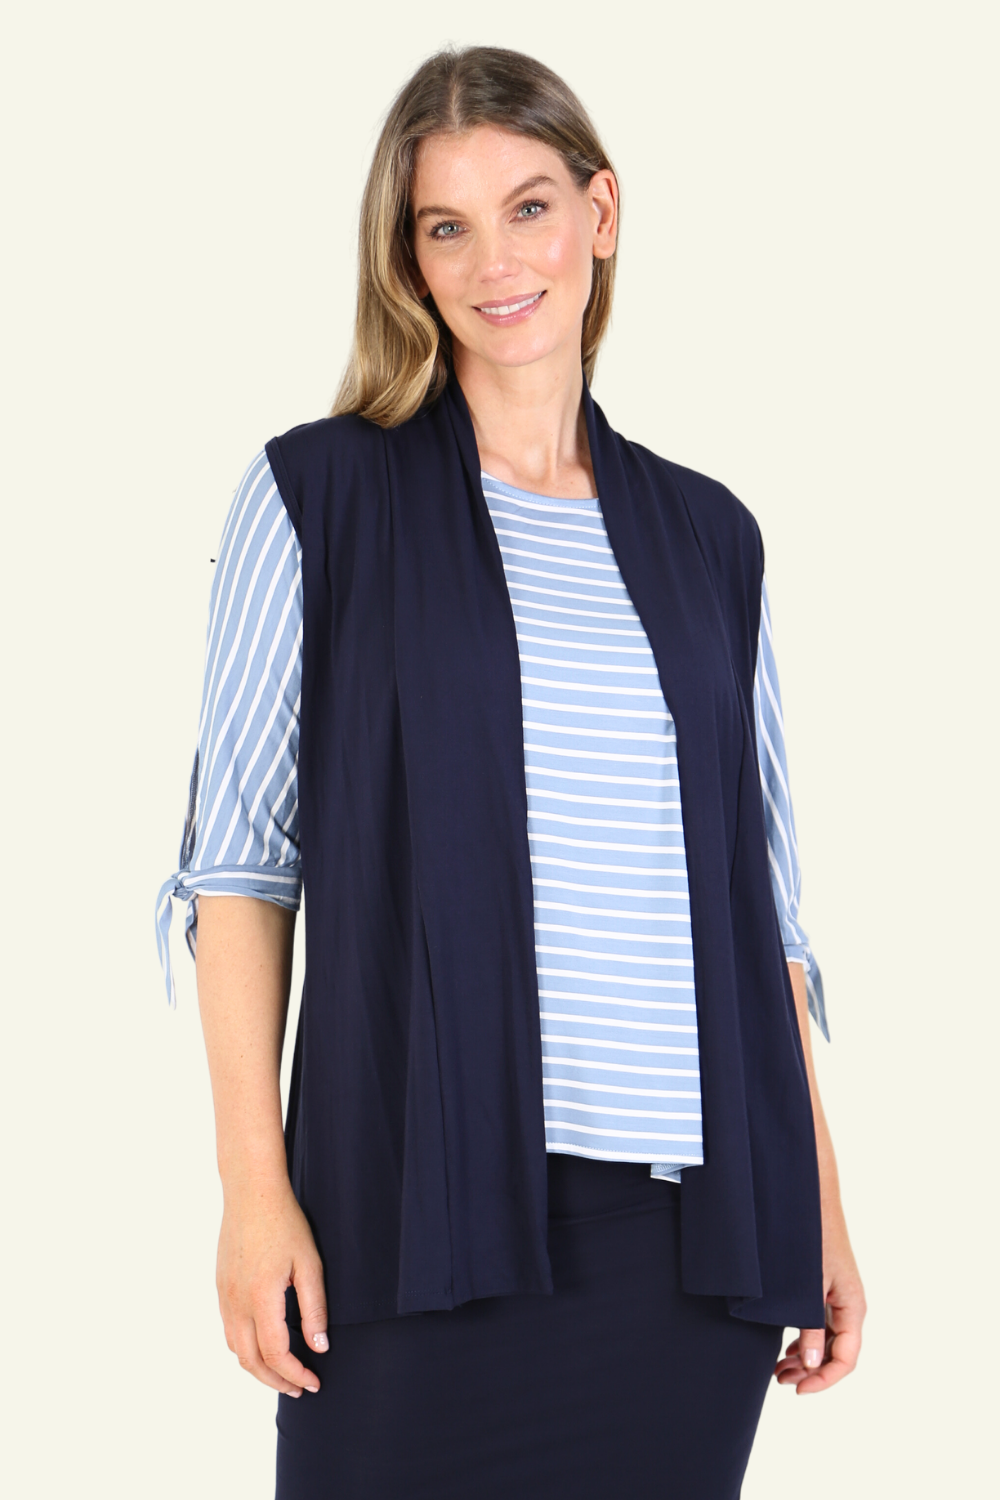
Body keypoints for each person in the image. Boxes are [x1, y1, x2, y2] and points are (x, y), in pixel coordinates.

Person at [156, 45, 865, 1500]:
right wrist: (253, 1192)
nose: (497, 263)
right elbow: (239, 870)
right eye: (448, 226)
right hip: (412, 1210)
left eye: (530, 207)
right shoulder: (319, 496)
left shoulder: (710, 538)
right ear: (407, 260)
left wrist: (825, 1212)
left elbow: (762, 913)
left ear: (600, 213)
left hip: (689, 1246)